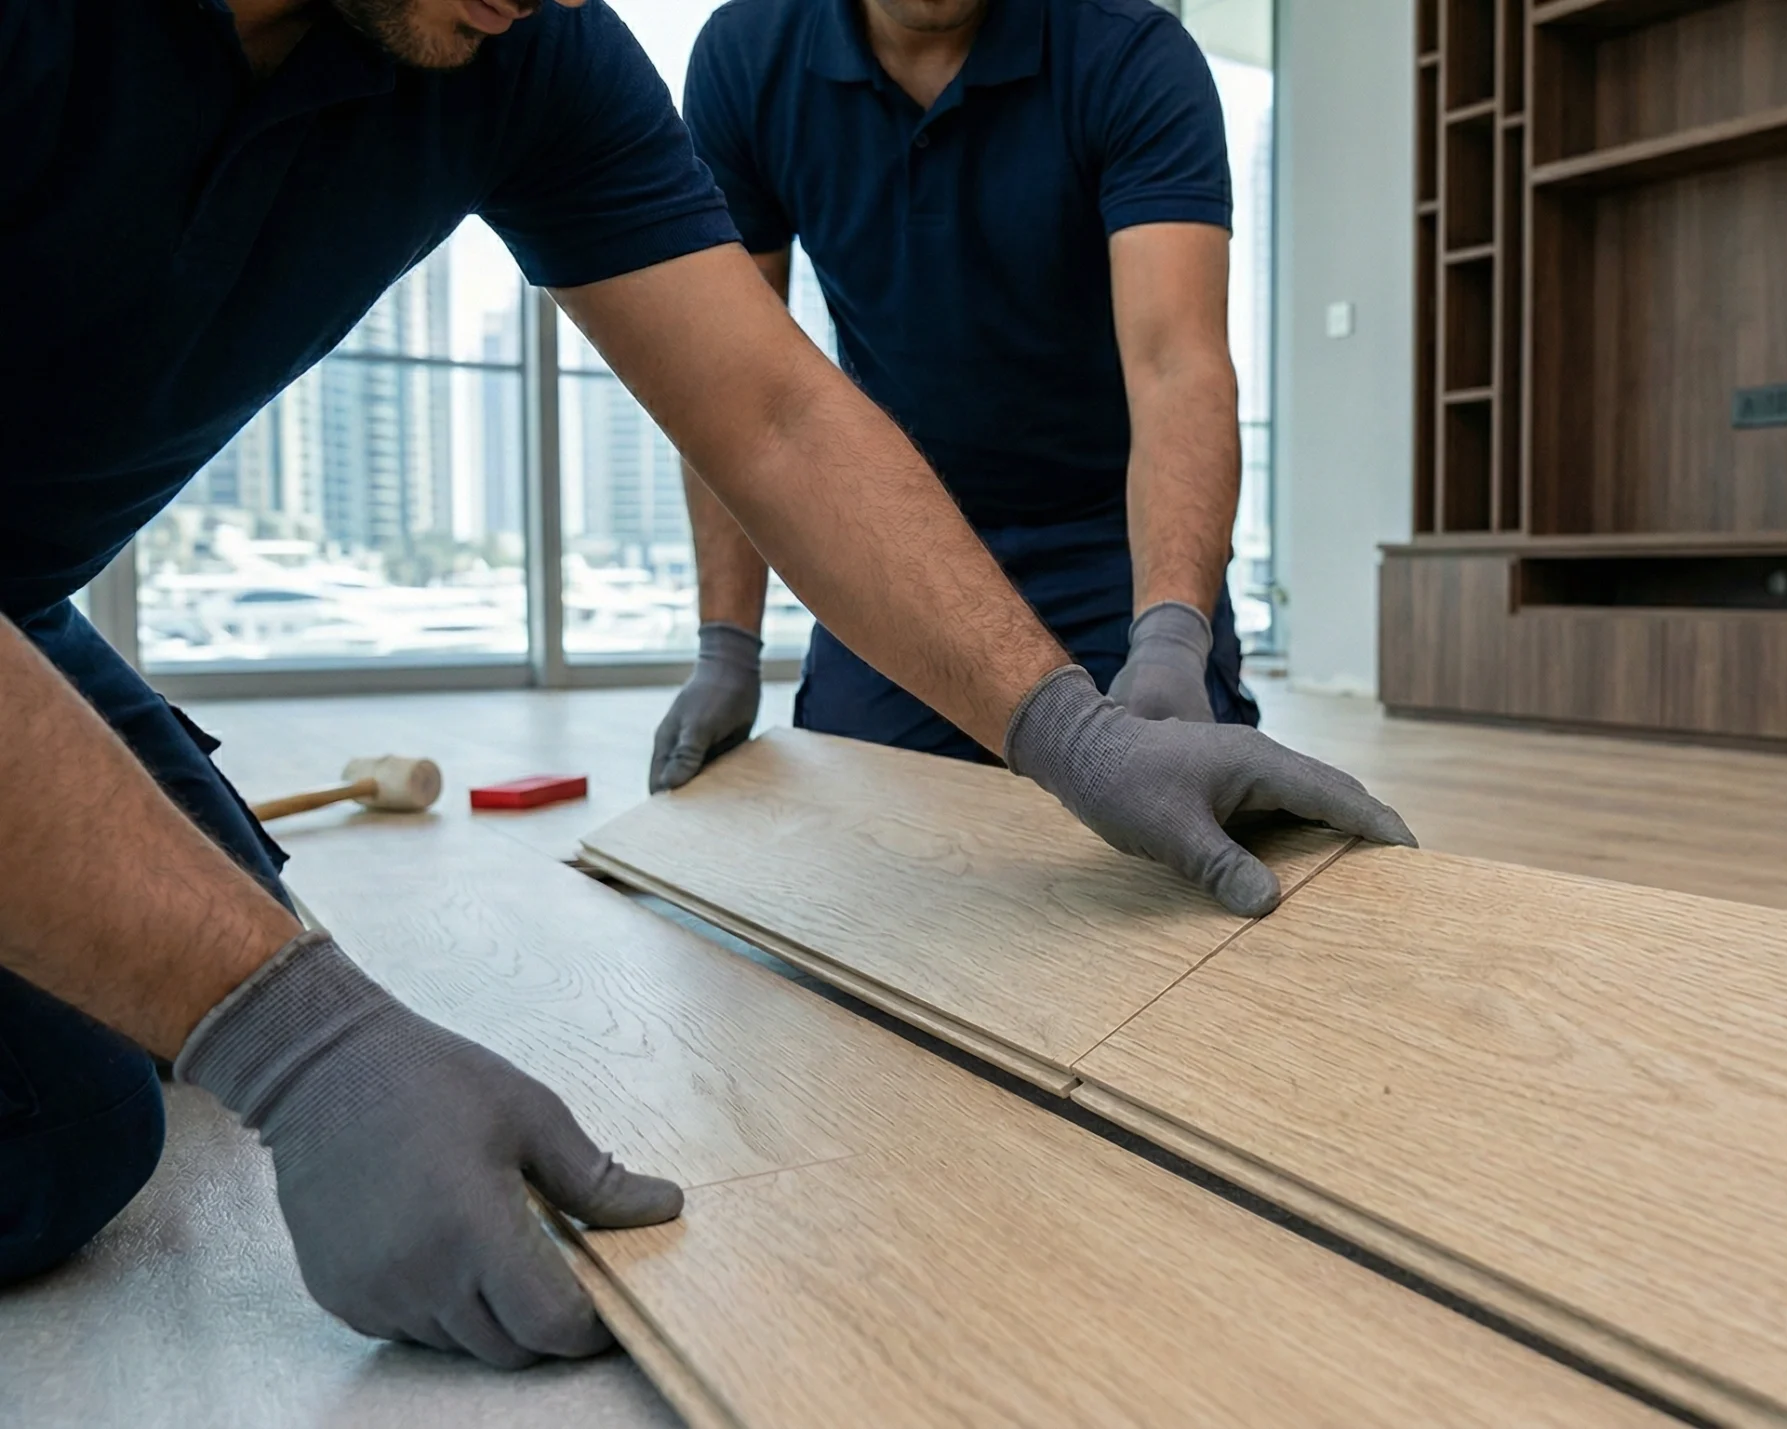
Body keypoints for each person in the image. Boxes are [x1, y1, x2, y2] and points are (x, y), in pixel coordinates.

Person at [0, 0, 1410, 1369]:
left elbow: (776, 411)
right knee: (68, 1125)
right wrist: (300, 1044)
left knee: (199, 913)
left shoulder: (529, 53)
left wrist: (1078, 729)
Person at [648, 0, 1260, 784]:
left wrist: (1173, 636)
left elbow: (1177, 365)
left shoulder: (1132, 54)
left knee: (1183, 812)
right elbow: (729, 385)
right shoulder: (748, 58)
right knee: (871, 833)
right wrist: (726, 648)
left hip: (1108, 544)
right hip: (897, 537)